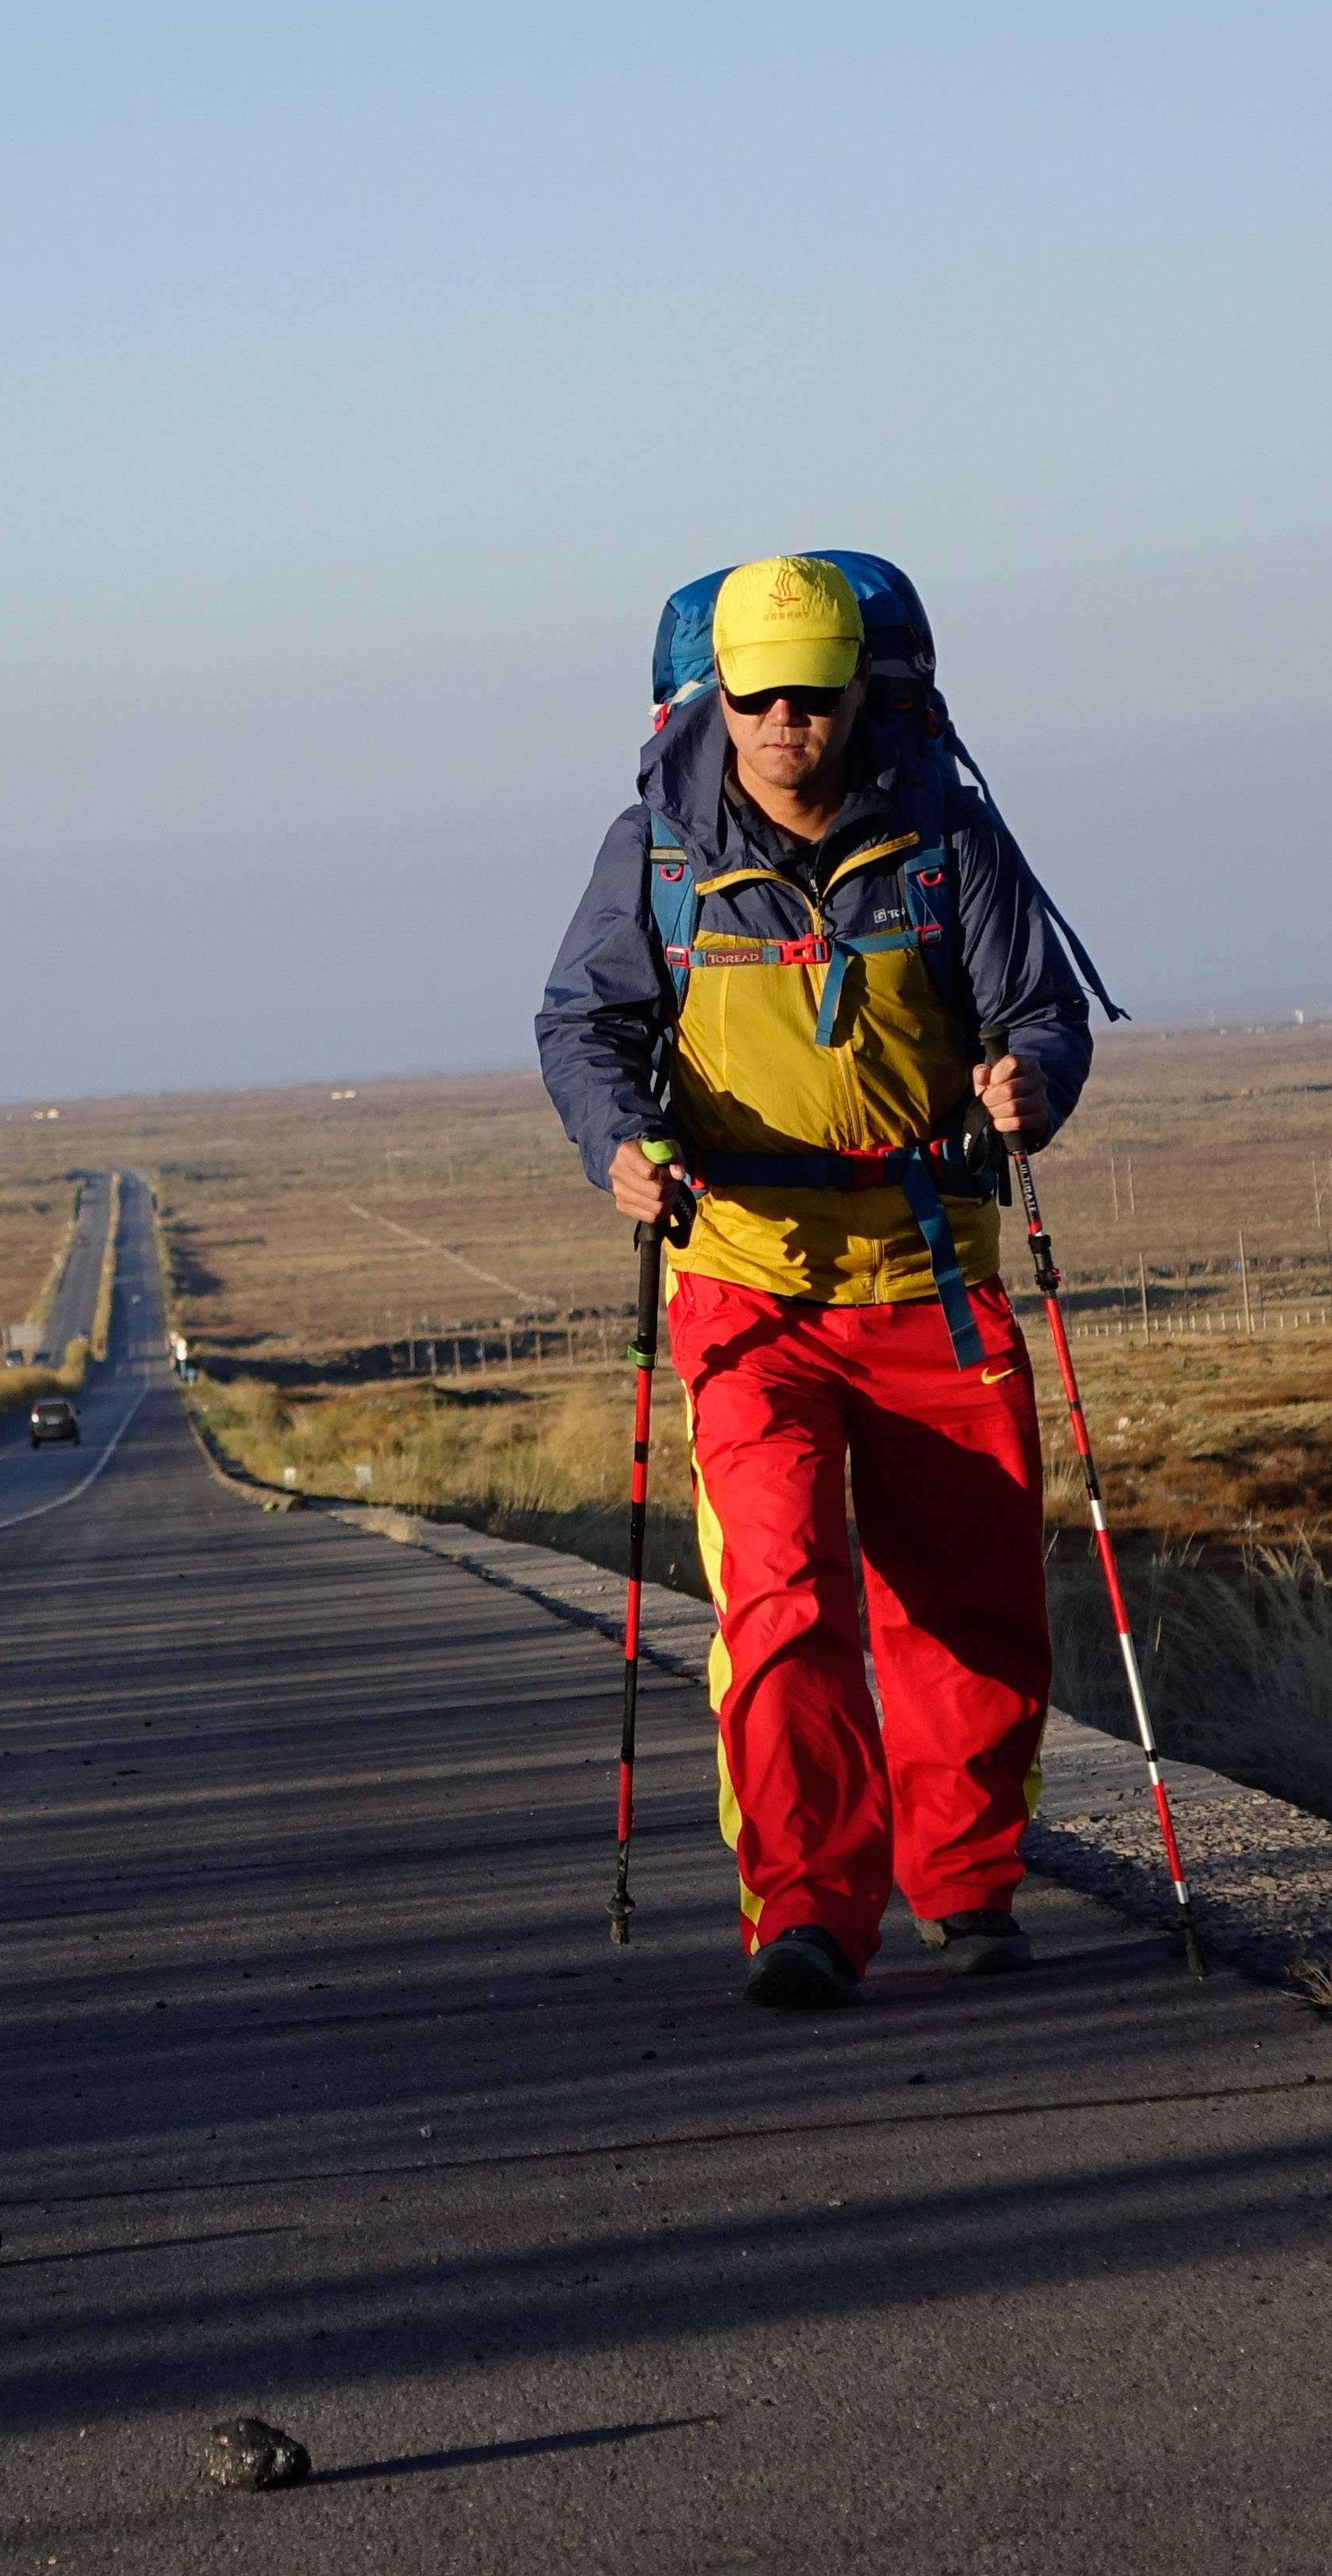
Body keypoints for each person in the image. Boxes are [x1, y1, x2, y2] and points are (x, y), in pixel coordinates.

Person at [535, 553, 1100, 2009]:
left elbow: (1038, 1009)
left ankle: (967, 1889)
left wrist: (1030, 1080)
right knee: (781, 1601)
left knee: (965, 1603)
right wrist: (618, 1146)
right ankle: (806, 1911)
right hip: (743, 1284)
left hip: (929, 1275)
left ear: (864, 688)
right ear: (717, 692)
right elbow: (582, 1025)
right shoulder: (655, 846)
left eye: (815, 695)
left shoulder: (949, 838)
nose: (788, 721)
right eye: (760, 695)